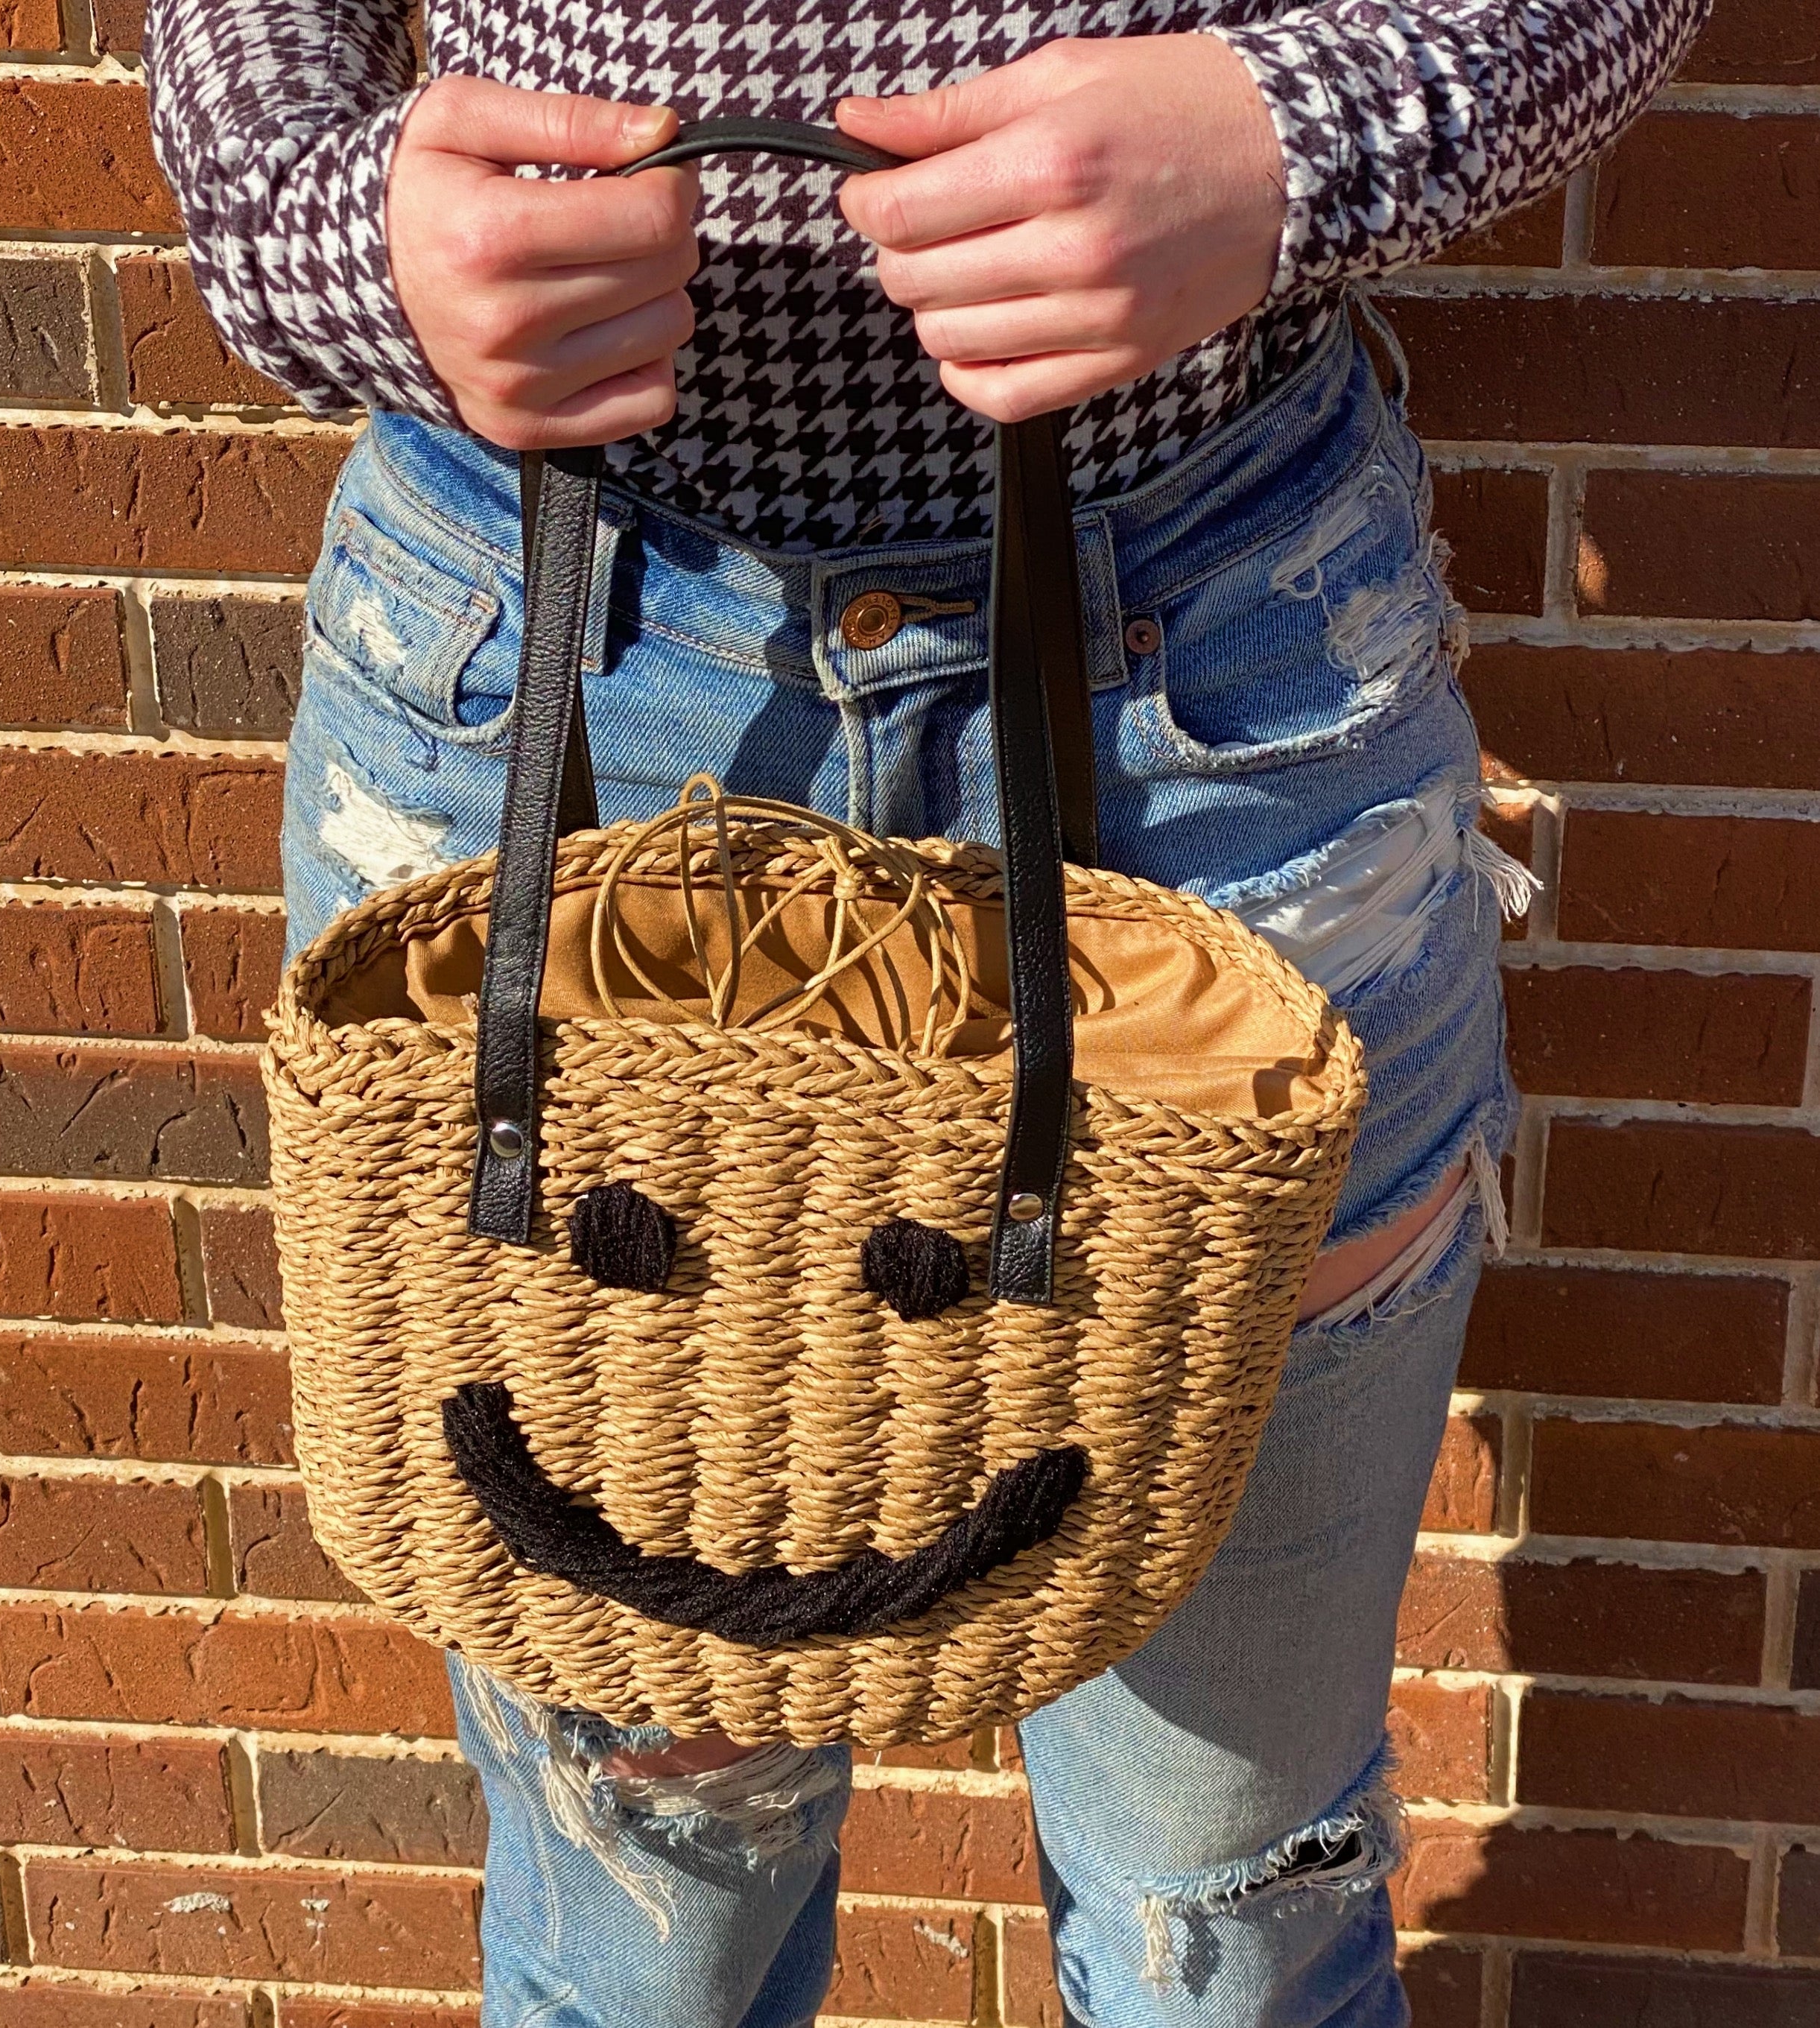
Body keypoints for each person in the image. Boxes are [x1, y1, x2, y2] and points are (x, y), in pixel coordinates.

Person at [145, 4, 1705, 2021]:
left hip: (1205, 697)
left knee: (1219, 1908)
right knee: (640, 1912)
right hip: (558, 692)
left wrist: (1289, 136)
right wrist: (334, 229)